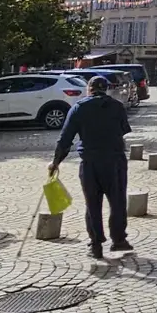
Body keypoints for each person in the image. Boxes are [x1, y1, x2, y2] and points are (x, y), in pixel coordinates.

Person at [49, 76, 133, 259]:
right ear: (107, 89)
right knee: (117, 202)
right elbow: (123, 130)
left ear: (89, 89)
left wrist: (55, 162)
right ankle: (119, 240)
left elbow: (65, 139)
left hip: (90, 162)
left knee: (92, 204)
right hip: (115, 160)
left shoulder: (79, 108)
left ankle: (96, 245)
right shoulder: (117, 107)